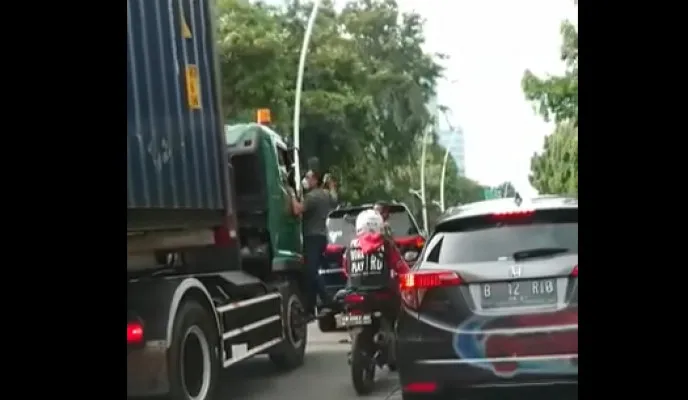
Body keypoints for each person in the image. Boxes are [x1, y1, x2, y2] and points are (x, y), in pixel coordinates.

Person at [291, 169, 339, 317]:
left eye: (308, 177)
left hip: (311, 237)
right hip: (321, 237)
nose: (305, 180)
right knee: (311, 272)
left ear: (315, 180)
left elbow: (297, 210)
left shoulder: (312, 197)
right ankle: (311, 308)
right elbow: (334, 199)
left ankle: (327, 301)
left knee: (311, 271)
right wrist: (331, 186)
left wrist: (291, 194)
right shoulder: (325, 195)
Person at [342, 209, 410, 296]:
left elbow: (346, 270)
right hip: (384, 291)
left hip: (356, 291)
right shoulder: (386, 245)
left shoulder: (350, 246)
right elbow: (402, 269)